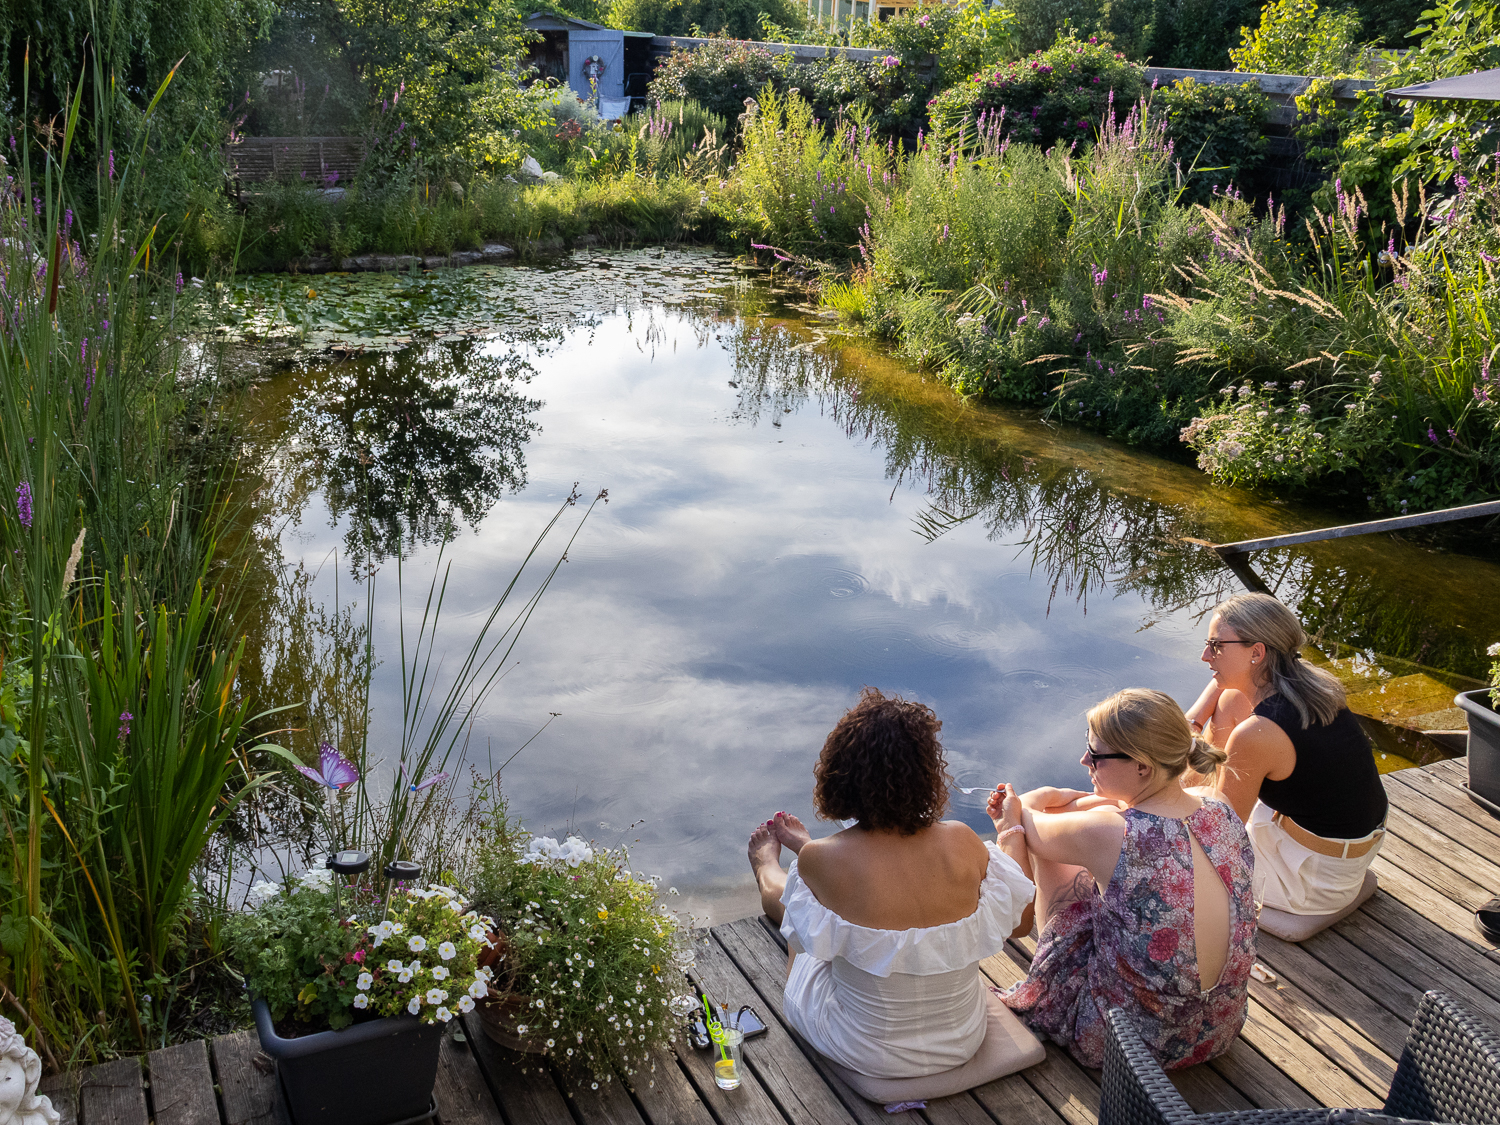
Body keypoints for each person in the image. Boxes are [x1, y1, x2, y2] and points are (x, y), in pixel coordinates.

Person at [747, 688, 1036, 1079]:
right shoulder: (963, 840)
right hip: (962, 1039)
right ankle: (818, 870)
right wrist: (1009, 830)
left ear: (839, 774)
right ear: (928, 775)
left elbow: (805, 941)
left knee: (802, 934)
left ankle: (768, 867)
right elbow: (1020, 925)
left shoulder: (820, 862)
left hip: (863, 1049)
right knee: (828, 907)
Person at [993, 688, 1256, 1070]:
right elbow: (1128, 818)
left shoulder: (1110, 833)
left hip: (1132, 1047)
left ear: (1143, 768)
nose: (1084, 760)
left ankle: (1048, 988)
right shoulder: (1218, 804)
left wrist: (1042, 796)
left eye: (1096, 756)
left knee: (1052, 857)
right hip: (1217, 1030)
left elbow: (1025, 819)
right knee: (1103, 863)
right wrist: (1094, 800)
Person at [1184, 592, 1388, 916]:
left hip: (1314, 880)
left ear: (1257, 652)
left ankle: (1180, 797)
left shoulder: (1257, 735)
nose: (1205, 655)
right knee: (1229, 701)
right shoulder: (1309, 679)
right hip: (1350, 846)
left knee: (1173, 874)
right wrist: (1193, 720)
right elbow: (1221, 689)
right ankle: (1188, 791)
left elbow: (1222, 840)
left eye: (1217, 646)